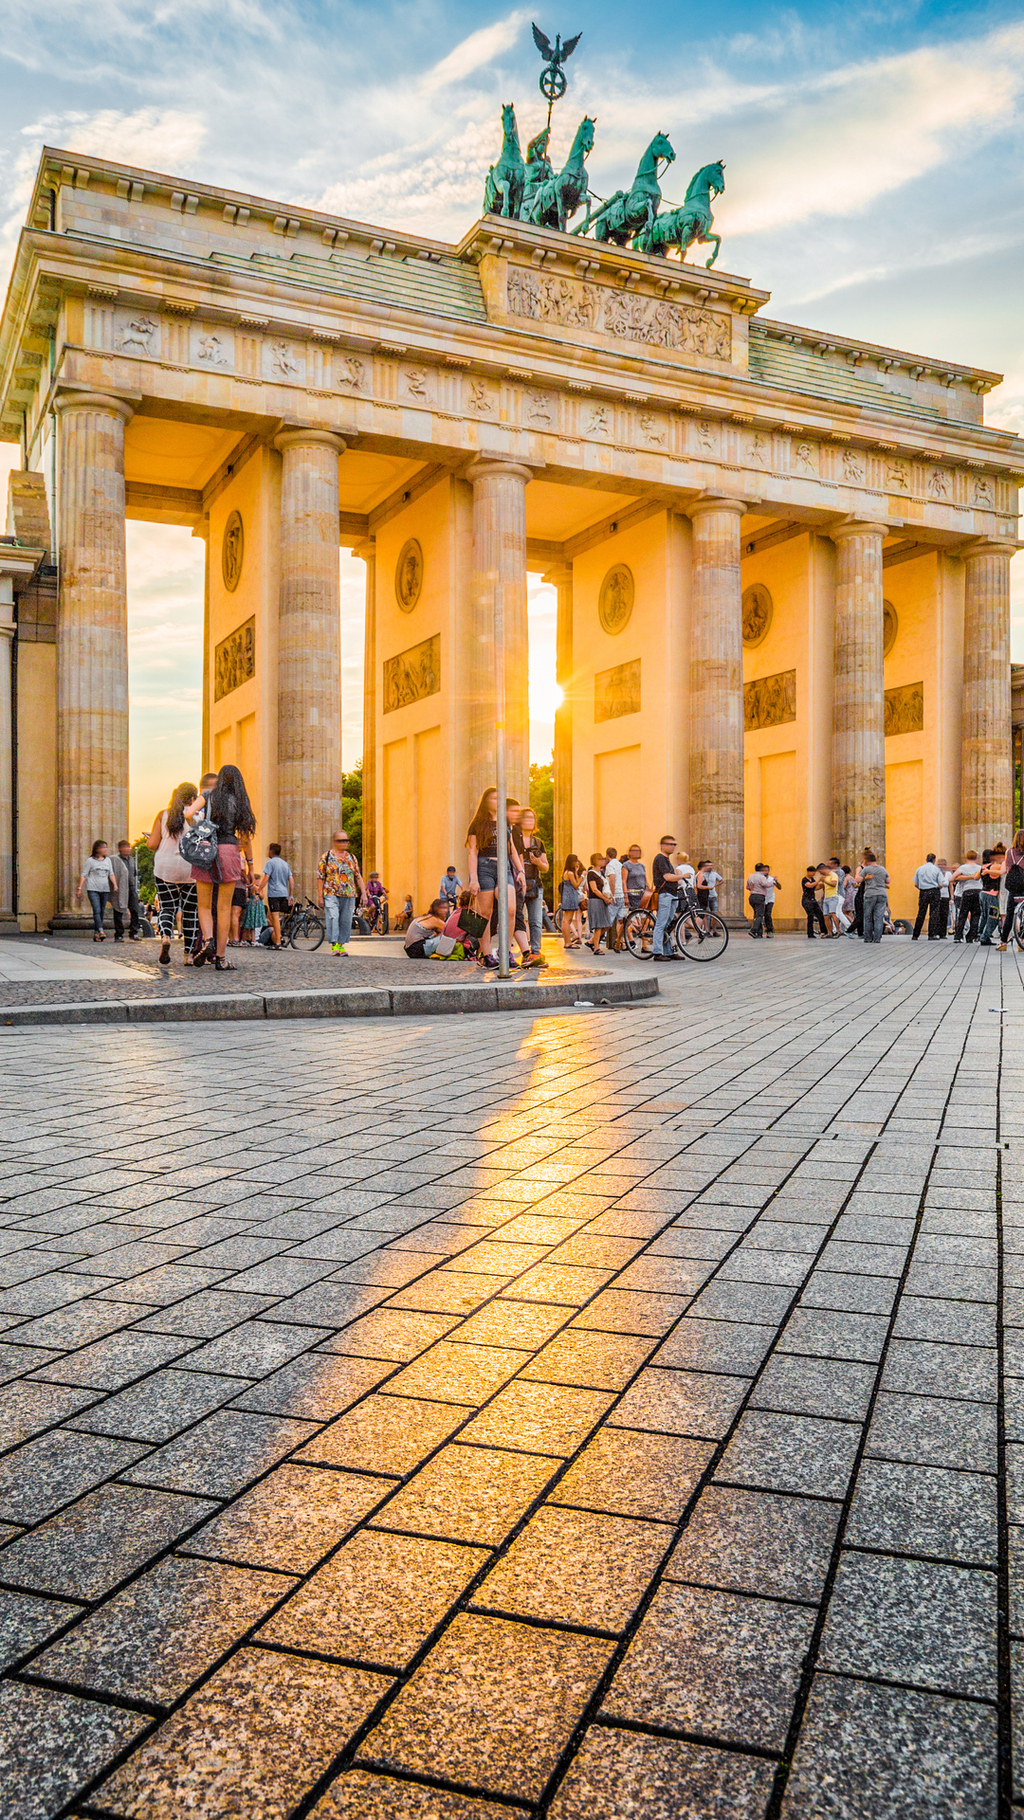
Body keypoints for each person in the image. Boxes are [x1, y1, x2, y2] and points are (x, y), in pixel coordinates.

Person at [186, 763, 256, 970]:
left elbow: (188, 814)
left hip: (206, 850)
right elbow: (245, 837)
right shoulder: (241, 802)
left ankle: (207, 940)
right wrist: (250, 866)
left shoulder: (208, 795)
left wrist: (201, 826)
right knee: (224, 908)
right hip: (229, 851)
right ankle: (221, 958)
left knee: (204, 905)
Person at [466, 787, 518, 971]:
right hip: (484, 867)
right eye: (494, 798)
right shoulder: (478, 824)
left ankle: (506, 951)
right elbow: (473, 852)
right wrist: (473, 879)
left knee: (511, 909)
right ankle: (486, 954)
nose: (497, 801)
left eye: (499, 798)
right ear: (486, 801)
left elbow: (511, 849)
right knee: (485, 913)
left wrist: (520, 872)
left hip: (504, 867)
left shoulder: (505, 822)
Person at [148, 781, 199, 967]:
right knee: (190, 912)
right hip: (191, 869)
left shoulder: (164, 815)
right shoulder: (197, 817)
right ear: (193, 798)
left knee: (167, 908)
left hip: (165, 868)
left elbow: (152, 844)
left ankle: (166, 938)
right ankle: (189, 955)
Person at [316, 831, 364, 956]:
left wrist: (364, 893)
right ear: (335, 842)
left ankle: (341, 944)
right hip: (331, 892)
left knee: (345, 920)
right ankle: (334, 943)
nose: (344, 843)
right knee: (333, 916)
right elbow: (320, 877)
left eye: (346, 840)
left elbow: (358, 876)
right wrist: (320, 896)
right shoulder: (326, 857)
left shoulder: (351, 857)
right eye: (341, 841)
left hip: (349, 894)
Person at [519, 807, 549, 967]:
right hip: (517, 885)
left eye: (532, 818)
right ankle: (516, 953)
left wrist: (537, 862)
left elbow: (546, 867)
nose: (530, 820)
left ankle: (535, 952)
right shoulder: (514, 839)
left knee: (536, 921)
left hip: (535, 885)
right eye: (526, 817)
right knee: (515, 919)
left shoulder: (538, 843)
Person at [75, 840, 117, 941]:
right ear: (97, 849)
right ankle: (101, 930)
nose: (105, 849)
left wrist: (115, 884)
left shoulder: (108, 860)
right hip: (93, 888)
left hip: (105, 889)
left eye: (106, 847)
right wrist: (79, 888)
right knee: (96, 909)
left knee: (102, 911)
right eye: (103, 847)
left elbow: (111, 873)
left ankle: (96, 932)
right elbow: (84, 874)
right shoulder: (90, 861)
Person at [651, 835, 680, 961]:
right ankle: (657, 952)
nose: (672, 846)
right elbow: (667, 877)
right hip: (664, 893)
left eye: (674, 844)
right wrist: (682, 876)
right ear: (662, 845)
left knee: (669, 924)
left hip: (672, 893)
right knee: (661, 923)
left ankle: (668, 952)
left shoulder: (667, 860)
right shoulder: (660, 858)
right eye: (670, 844)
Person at [262, 843, 295, 951]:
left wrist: (258, 890)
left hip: (274, 893)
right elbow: (291, 880)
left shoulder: (270, 863)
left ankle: (278, 942)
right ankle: (278, 939)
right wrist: (291, 895)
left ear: (271, 851)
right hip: (284, 893)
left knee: (275, 917)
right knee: (277, 917)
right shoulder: (285, 864)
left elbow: (266, 878)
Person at [110, 841, 142, 941]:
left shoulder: (132, 859)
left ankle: (134, 932)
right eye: (125, 847)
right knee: (118, 910)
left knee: (135, 910)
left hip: (131, 887)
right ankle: (119, 934)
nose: (128, 849)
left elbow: (134, 873)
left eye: (129, 847)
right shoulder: (116, 860)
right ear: (120, 849)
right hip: (121, 887)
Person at [998, 831, 1024, 950]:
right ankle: (1022, 941)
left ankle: (1003, 942)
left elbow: (1008, 868)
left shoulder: (1009, 852)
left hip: (1013, 887)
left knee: (1009, 914)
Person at [912, 852, 945, 941]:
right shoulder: (936, 869)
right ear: (934, 860)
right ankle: (932, 934)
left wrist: (922, 888)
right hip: (934, 891)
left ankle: (915, 934)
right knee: (934, 913)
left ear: (926, 859)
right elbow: (941, 884)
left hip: (923, 892)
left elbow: (915, 884)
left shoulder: (920, 869)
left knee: (921, 913)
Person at [952, 850, 983, 943]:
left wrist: (964, 877)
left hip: (967, 891)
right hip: (978, 891)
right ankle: (971, 936)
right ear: (976, 857)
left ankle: (958, 936)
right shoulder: (980, 868)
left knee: (963, 914)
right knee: (976, 915)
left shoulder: (963, 868)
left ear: (966, 857)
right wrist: (973, 876)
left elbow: (952, 878)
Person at [860, 848, 890, 944]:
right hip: (882, 894)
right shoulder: (882, 869)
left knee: (868, 916)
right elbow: (888, 880)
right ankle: (877, 938)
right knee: (879, 916)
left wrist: (866, 878)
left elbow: (857, 879)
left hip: (870, 894)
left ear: (867, 861)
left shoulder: (866, 869)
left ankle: (868, 937)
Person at [978, 848, 1004, 946]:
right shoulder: (995, 866)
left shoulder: (983, 867)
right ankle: (985, 937)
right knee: (993, 917)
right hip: (991, 896)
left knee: (984, 916)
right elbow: (1001, 872)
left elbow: (976, 877)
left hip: (983, 894)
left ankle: (980, 934)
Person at [560, 854, 584, 949]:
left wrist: (577, 872)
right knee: (566, 920)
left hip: (569, 896)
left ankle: (568, 941)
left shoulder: (569, 872)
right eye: (576, 861)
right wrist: (582, 875)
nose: (577, 863)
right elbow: (576, 885)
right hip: (570, 897)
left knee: (568, 920)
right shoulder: (569, 873)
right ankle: (567, 942)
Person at [801, 866, 827, 939]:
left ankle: (823, 931)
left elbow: (815, 887)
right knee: (810, 916)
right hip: (806, 900)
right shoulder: (804, 880)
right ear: (808, 872)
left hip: (813, 899)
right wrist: (819, 881)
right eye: (813, 872)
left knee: (820, 915)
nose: (814, 874)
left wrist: (822, 885)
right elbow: (810, 885)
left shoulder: (812, 879)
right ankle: (810, 933)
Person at [746, 864, 770, 939]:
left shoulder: (751, 876)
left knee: (756, 914)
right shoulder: (761, 877)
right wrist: (774, 882)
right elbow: (766, 884)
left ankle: (759, 933)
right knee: (760, 915)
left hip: (752, 896)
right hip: (759, 896)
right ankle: (753, 930)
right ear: (761, 869)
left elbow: (748, 887)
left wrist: (754, 889)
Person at [818, 861, 841, 936]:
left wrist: (824, 881)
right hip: (826, 897)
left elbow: (834, 884)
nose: (821, 873)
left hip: (833, 896)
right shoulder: (825, 877)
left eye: (820, 871)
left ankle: (838, 930)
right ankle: (829, 932)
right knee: (826, 916)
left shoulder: (833, 875)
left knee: (832, 913)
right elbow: (823, 886)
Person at [623, 845, 647, 911]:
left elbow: (645, 880)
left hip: (642, 895)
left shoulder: (642, 866)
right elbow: (624, 881)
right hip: (632, 895)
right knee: (634, 915)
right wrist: (625, 896)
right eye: (634, 851)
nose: (636, 852)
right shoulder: (626, 865)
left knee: (644, 915)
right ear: (629, 852)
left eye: (638, 851)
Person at [934, 859, 953, 939]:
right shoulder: (935, 873)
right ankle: (936, 932)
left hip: (945, 896)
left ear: (945, 865)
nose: (940, 866)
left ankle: (943, 933)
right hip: (937, 896)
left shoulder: (948, 874)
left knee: (944, 914)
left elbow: (951, 885)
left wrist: (951, 897)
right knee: (937, 914)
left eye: (942, 864)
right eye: (939, 864)